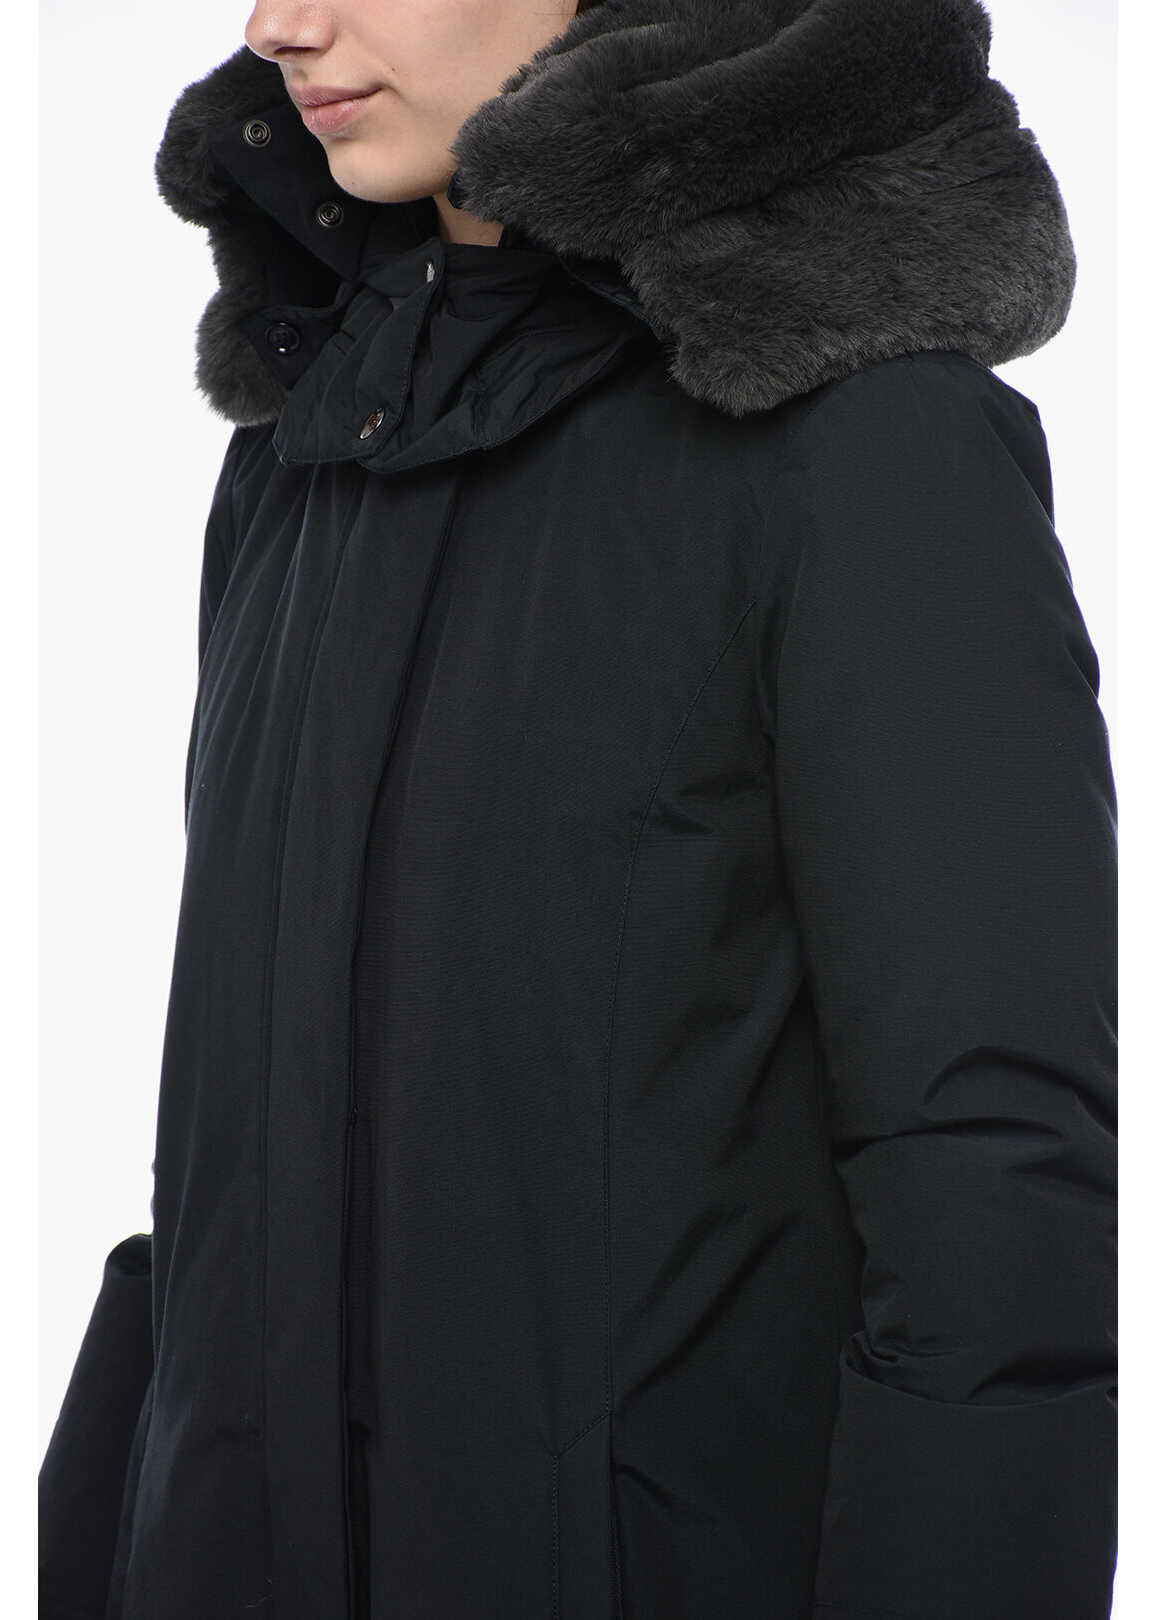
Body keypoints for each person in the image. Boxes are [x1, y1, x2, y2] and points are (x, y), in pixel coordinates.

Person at [39, 2, 1118, 1618]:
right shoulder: (307, 447)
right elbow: (226, 1109)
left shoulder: (863, 444)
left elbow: (984, 1173)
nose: (280, 27)